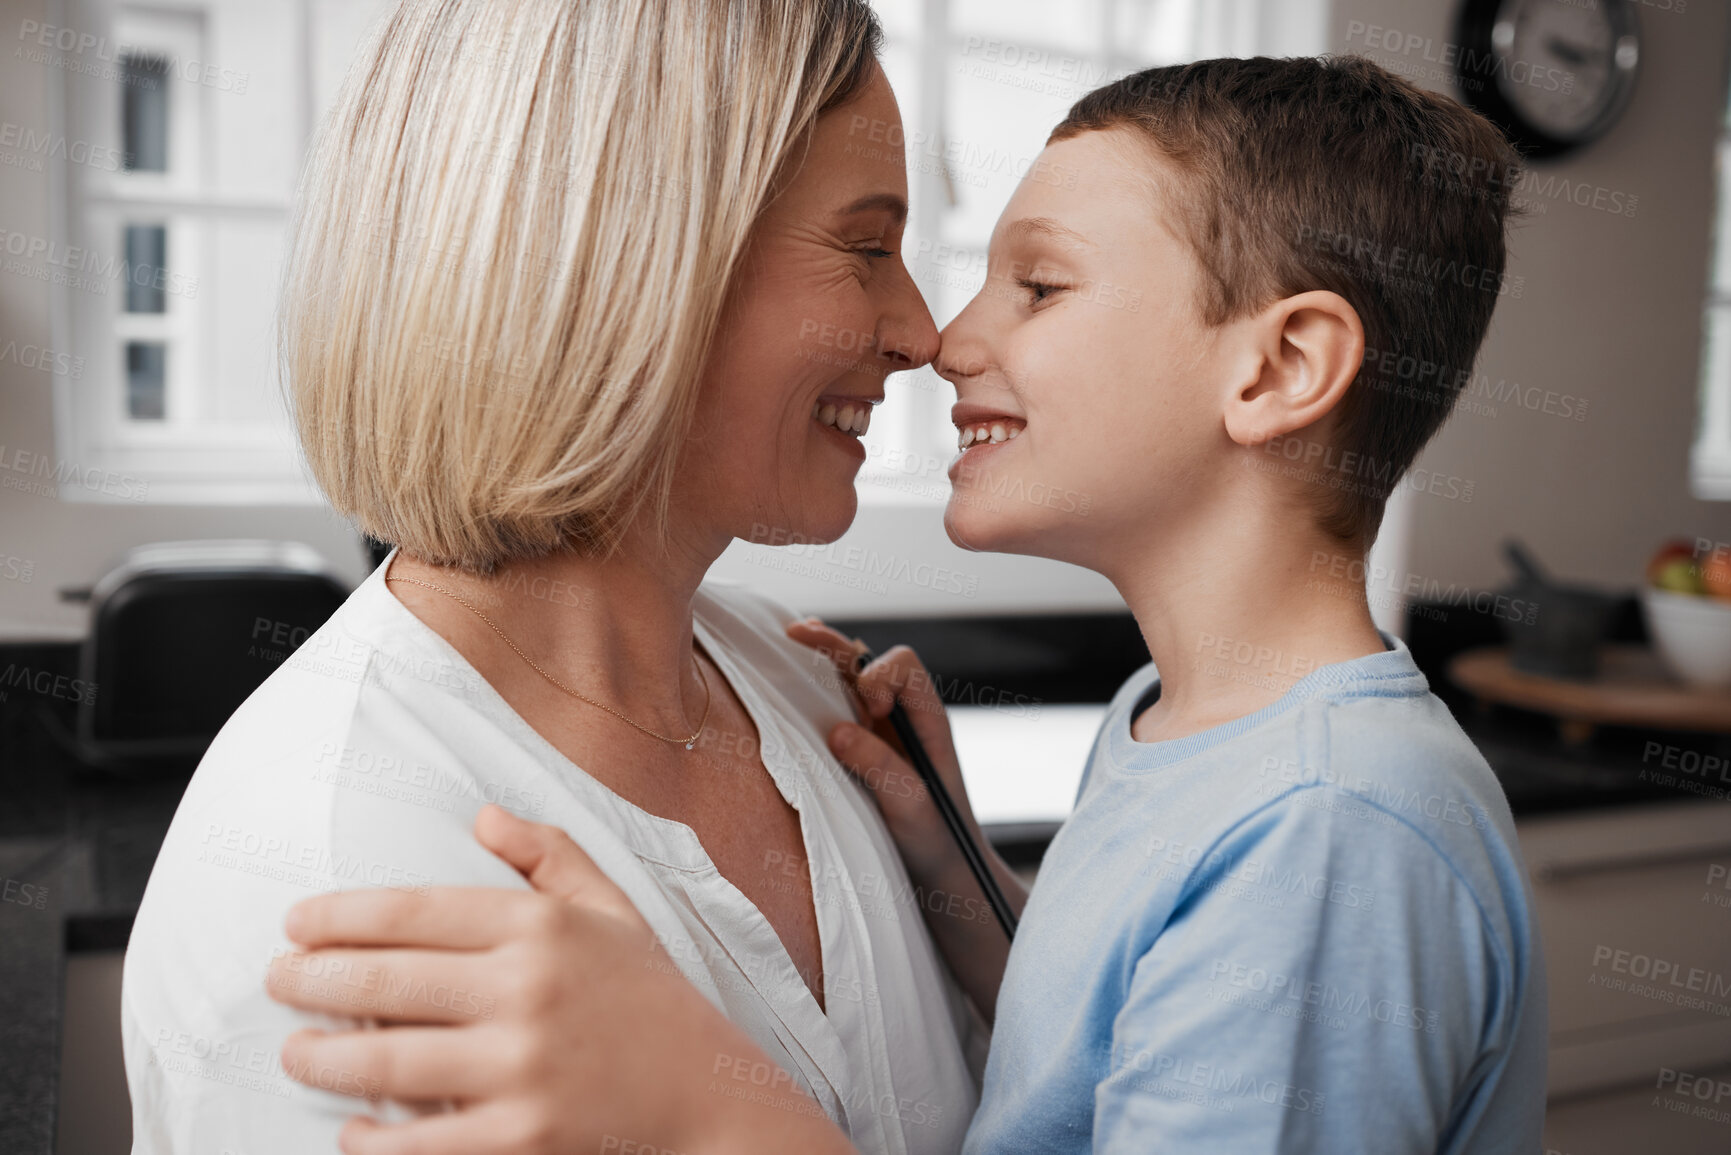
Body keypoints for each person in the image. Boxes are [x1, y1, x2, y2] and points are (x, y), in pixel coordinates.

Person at [265, 53, 1549, 1155]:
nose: (946, 336)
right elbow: (1104, 1057)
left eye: (1038, 287)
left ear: (1279, 367)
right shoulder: (1182, 723)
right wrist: (955, 872)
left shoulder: (1329, 834)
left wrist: (703, 1106)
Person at [120, 2, 986, 1152]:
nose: (922, 331)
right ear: (626, 262)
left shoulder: (805, 686)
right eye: (868, 247)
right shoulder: (334, 857)